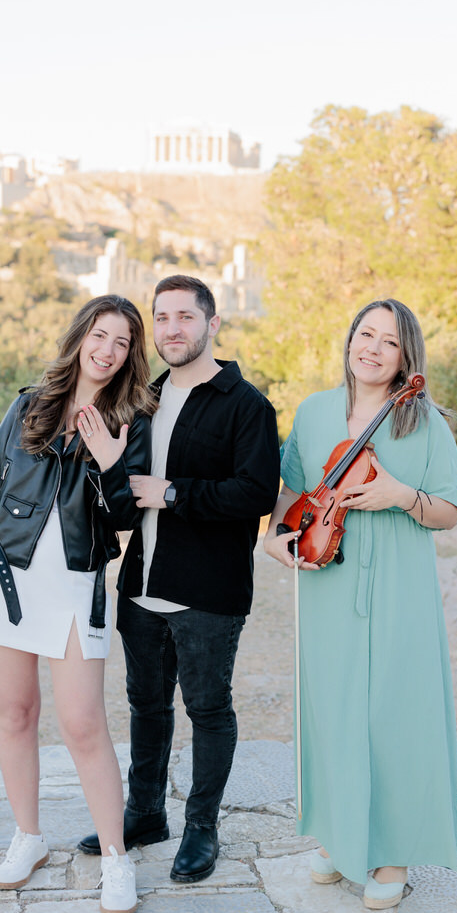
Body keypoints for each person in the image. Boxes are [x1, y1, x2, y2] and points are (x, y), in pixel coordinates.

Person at [0, 294, 153, 913]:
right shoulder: (28, 405)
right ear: (80, 337)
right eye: (100, 335)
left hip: (75, 582)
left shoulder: (131, 420)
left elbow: (124, 522)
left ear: (129, 355)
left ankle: (117, 859)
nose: (107, 350)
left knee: (83, 724)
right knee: (14, 713)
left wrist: (112, 462)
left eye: (122, 342)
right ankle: (28, 837)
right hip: (5, 577)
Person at [78, 275, 281, 881]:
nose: (171, 329)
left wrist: (169, 493)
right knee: (145, 704)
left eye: (184, 317)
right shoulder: (141, 402)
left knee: (208, 708)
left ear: (211, 324)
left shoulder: (248, 405)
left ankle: (201, 828)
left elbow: (254, 495)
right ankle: (144, 815)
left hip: (209, 592)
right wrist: (115, 471)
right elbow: (121, 507)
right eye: (161, 318)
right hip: (139, 584)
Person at [263, 298, 457, 911]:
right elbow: (295, 495)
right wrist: (278, 539)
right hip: (330, 579)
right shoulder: (316, 411)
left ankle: (394, 851)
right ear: (350, 340)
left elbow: (449, 511)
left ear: (407, 358)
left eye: (389, 341)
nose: (372, 348)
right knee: (336, 709)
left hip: (400, 584)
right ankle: (340, 836)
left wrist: (402, 494)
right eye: (364, 334)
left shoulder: (424, 421)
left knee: (396, 714)